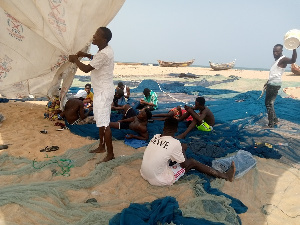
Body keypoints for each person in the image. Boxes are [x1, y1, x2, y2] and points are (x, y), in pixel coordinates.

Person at [140, 117, 235, 186]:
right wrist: (182, 149)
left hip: (144, 173)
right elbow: (184, 165)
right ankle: (225, 176)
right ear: (176, 129)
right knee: (193, 162)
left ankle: (224, 175)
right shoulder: (175, 143)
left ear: (164, 127)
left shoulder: (155, 136)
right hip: (158, 180)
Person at [69, 27, 115, 162]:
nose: (93, 36)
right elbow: (97, 59)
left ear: (104, 39)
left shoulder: (103, 54)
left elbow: (86, 69)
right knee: (100, 121)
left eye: (97, 35)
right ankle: (101, 146)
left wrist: (75, 60)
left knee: (105, 124)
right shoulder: (106, 50)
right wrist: (87, 55)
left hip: (103, 93)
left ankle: (110, 154)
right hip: (101, 91)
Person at [264, 44, 297, 128]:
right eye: (274, 51)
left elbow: (293, 60)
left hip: (274, 84)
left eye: (277, 51)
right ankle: (275, 120)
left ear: (281, 51)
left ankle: (271, 124)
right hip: (272, 83)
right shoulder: (277, 60)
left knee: (268, 104)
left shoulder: (283, 59)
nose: (275, 53)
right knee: (270, 103)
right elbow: (274, 74)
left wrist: (294, 49)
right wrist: (267, 82)